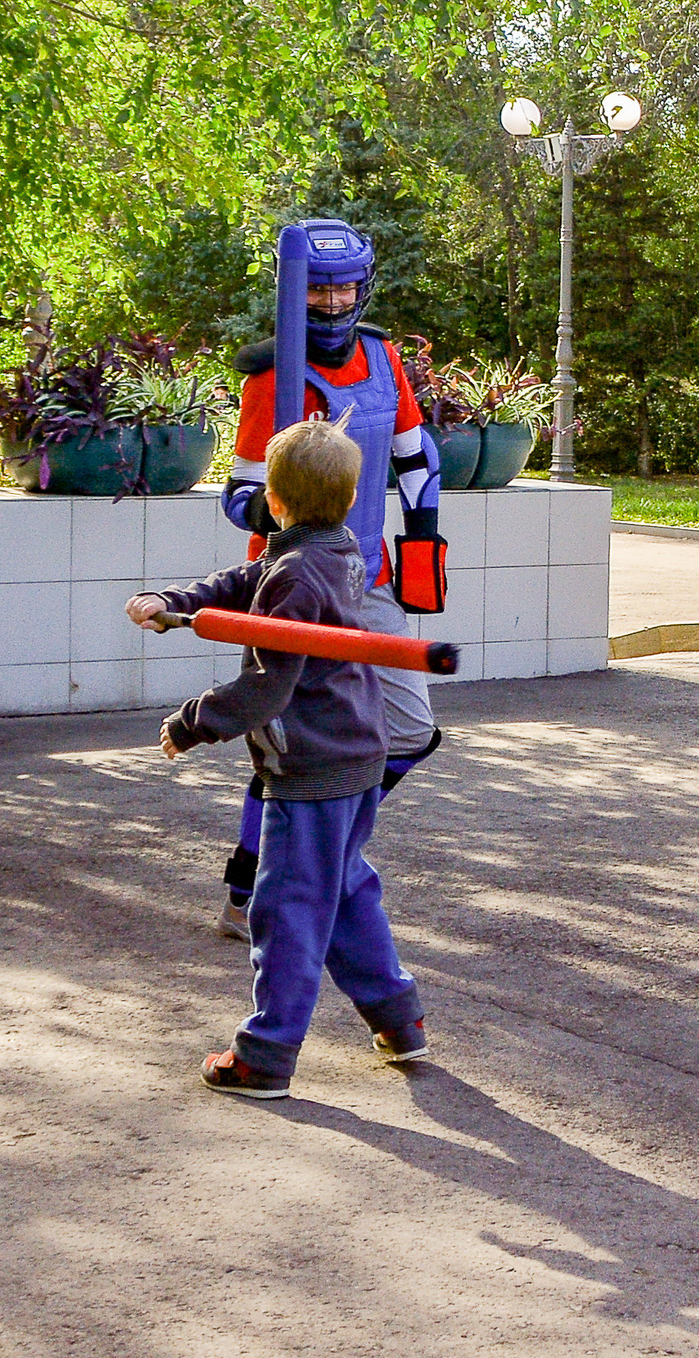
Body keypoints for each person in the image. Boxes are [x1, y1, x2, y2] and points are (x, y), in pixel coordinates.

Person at [129, 417, 430, 1097]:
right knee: (347, 892)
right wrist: (177, 604)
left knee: (289, 906)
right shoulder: (333, 548)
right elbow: (250, 579)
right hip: (355, 751)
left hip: (314, 768)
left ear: (275, 498)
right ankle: (398, 1017)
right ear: (350, 499)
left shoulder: (297, 571)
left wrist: (194, 721)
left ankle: (265, 1055)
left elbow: (268, 684)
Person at [215, 218, 446, 939]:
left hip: (368, 576)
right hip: (288, 585)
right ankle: (249, 887)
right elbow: (237, 495)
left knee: (408, 730)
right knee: (291, 739)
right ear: (296, 291)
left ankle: (325, 855)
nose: (335, 301)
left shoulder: (382, 359)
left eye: (346, 285)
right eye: (318, 288)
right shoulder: (271, 378)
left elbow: (417, 457)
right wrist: (281, 505)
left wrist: (421, 545)